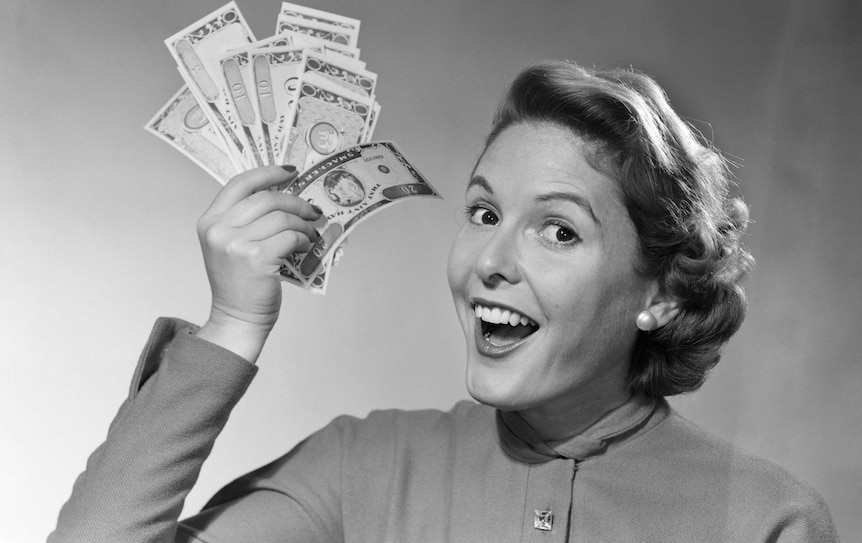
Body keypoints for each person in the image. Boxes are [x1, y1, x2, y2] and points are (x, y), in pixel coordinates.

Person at [50, 61, 838, 542]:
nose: (491, 260)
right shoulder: (362, 467)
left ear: (661, 294)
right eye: (485, 213)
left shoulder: (766, 519)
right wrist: (233, 327)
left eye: (557, 231)